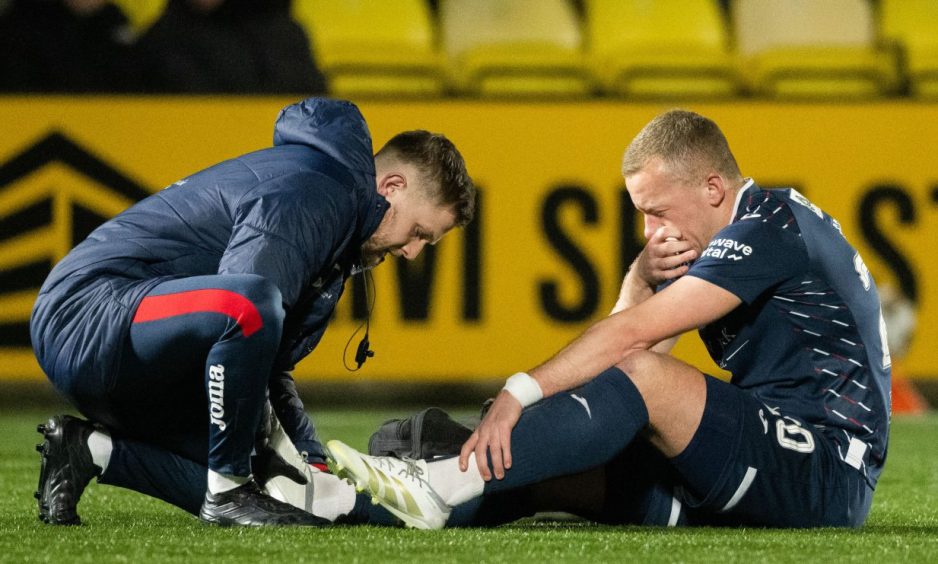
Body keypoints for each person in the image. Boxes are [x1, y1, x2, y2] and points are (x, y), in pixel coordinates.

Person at [327, 109, 890, 529]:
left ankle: (438, 478)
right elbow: (612, 386)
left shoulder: (767, 229)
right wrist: (641, 278)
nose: (652, 231)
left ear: (713, 188)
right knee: (549, 471)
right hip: (774, 456)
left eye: (657, 211)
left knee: (639, 380)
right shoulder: (738, 229)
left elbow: (634, 344)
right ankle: (350, 506)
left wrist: (516, 394)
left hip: (828, 469)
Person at [31, 97, 475, 527]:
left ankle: (89, 449)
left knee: (302, 498)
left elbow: (268, 364)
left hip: (136, 348)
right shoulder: (318, 188)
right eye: (418, 232)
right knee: (249, 308)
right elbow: (245, 307)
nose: (414, 253)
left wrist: (311, 460)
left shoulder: (337, 222)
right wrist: (274, 454)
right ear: (391, 186)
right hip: (85, 312)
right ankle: (227, 492)